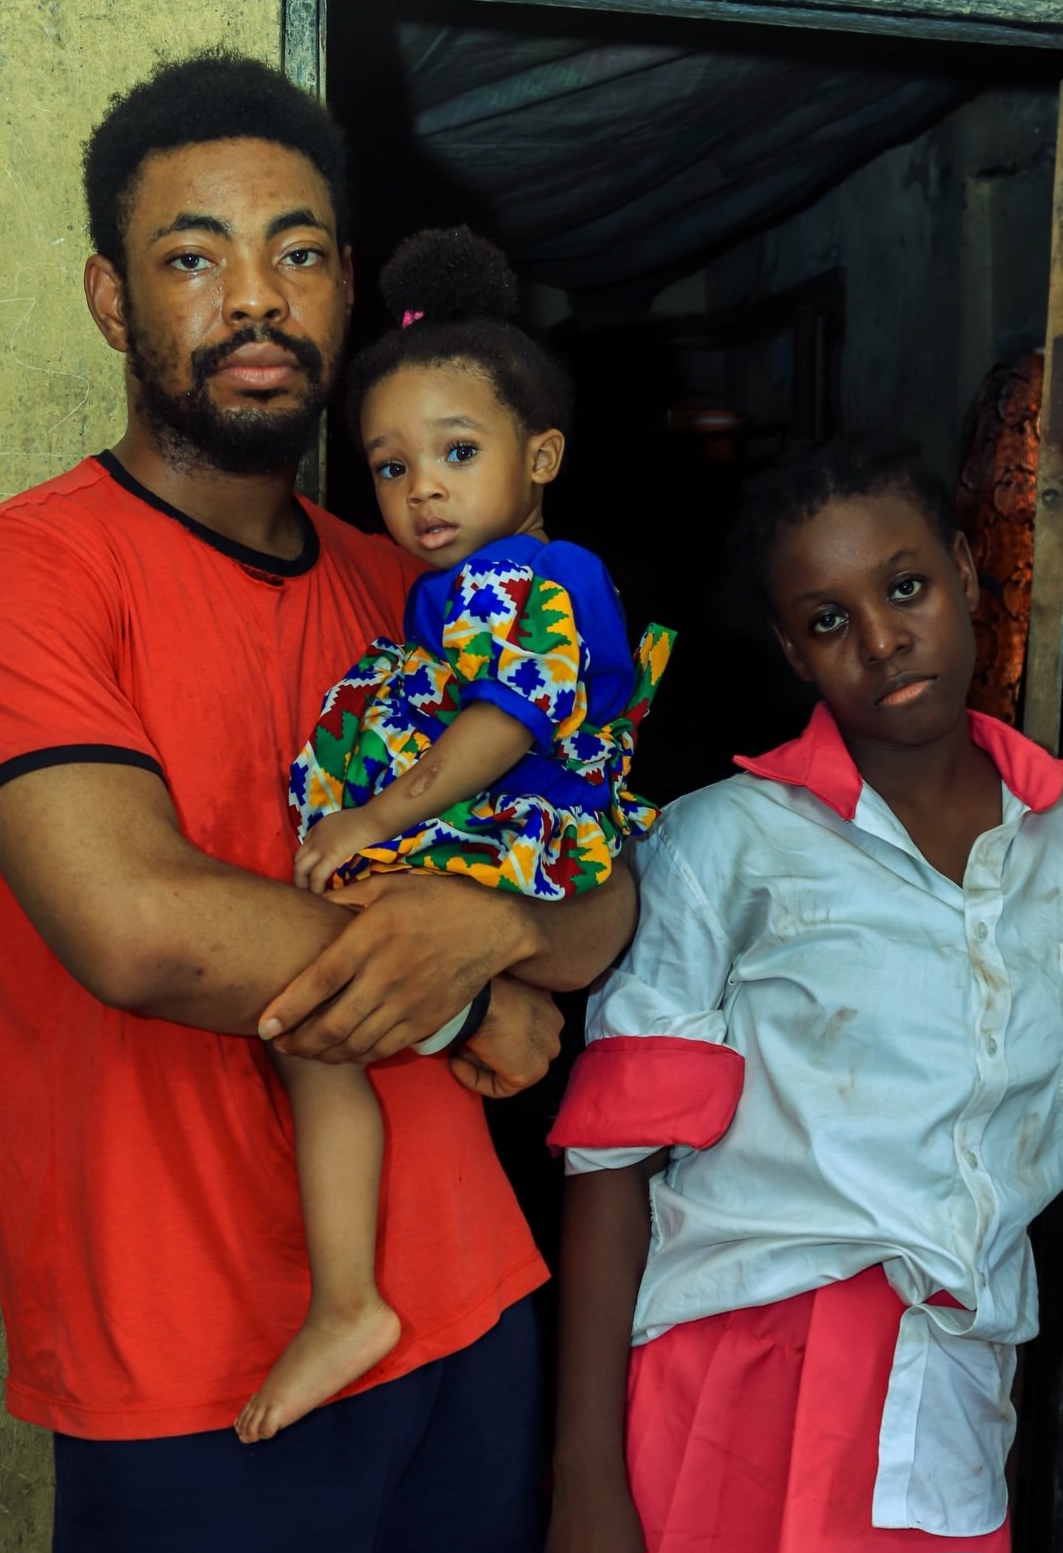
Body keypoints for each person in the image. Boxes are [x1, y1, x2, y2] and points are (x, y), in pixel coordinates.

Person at [0, 52, 635, 1553]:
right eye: (195, 256)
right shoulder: (16, 568)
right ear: (114, 300)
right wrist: (460, 990)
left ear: (347, 288)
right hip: (187, 1362)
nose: (256, 296)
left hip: (471, 1306)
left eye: (297, 252)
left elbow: (600, 908)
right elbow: (141, 928)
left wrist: (495, 921)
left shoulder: (422, 580)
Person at [544, 432, 1063, 1553]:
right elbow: (615, 1160)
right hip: (734, 1372)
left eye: (904, 588)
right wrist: (583, 1478)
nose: (882, 641)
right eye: (827, 621)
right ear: (791, 653)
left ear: (962, 567)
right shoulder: (721, 843)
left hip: (948, 1381)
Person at [236, 227, 671, 1443]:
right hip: (478, 840)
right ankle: (350, 1296)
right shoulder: (454, 582)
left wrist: (379, 812)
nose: (419, 488)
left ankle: (345, 1295)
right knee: (315, 1027)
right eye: (387, 466)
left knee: (317, 987)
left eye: (457, 453)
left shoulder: (540, 576)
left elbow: (503, 718)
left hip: (505, 833)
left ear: (540, 456)